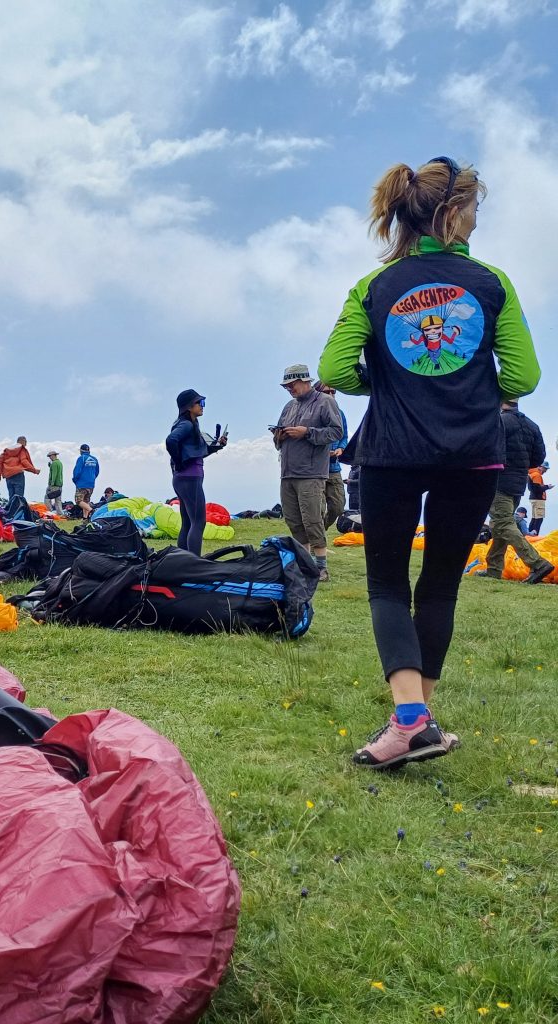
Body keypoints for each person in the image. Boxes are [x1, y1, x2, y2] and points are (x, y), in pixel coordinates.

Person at [318, 155, 541, 769]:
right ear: (449, 214)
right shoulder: (493, 282)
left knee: (388, 584)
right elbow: (524, 375)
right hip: (474, 456)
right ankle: (417, 722)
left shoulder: (373, 287)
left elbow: (336, 372)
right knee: (439, 584)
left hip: (391, 453)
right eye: (473, 209)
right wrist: (471, 390)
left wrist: (389, 383)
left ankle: (410, 723)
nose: (476, 221)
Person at [272, 364, 342, 582]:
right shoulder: (288, 407)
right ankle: (305, 564)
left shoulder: (325, 402)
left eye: (292, 385)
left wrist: (307, 432)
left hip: (311, 472)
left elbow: (336, 431)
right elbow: (277, 439)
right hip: (288, 471)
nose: (289, 389)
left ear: (305, 381)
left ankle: (321, 568)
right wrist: (279, 436)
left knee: (312, 520)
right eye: (287, 386)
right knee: (294, 520)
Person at [478, 401, 552, 583]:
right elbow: (538, 458)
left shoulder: (500, 422)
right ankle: (494, 569)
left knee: (503, 523)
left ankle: (537, 563)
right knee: (500, 524)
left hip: (499, 480)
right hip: (518, 484)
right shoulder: (532, 426)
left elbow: (485, 448)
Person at [165, 389, 227, 555]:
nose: (202, 406)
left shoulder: (189, 424)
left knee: (187, 523)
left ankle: (182, 562)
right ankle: (194, 564)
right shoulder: (186, 425)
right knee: (199, 522)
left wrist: (218, 446)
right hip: (190, 478)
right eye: (199, 403)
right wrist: (178, 462)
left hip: (181, 479)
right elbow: (171, 441)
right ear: (188, 407)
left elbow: (197, 452)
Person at [314, 381, 348, 528]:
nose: (331, 395)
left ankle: (321, 530)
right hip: (315, 469)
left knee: (338, 507)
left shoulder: (340, 414)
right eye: (327, 392)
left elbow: (344, 437)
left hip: (334, 468)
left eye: (333, 392)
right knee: (317, 509)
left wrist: (341, 448)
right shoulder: (311, 413)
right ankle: (317, 540)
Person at [0, 437, 39, 501]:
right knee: (19, 497)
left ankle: (12, 510)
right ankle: (18, 510)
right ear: (22, 441)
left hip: (8, 476)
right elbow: (24, 461)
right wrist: (34, 470)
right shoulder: (21, 449)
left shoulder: (8, 450)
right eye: (25, 442)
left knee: (11, 496)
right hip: (18, 474)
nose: (26, 444)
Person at [72, 444, 100, 519]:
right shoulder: (94, 459)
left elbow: (77, 471)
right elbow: (97, 472)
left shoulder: (82, 458)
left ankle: (91, 511)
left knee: (78, 500)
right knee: (86, 501)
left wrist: (75, 479)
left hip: (82, 483)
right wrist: (92, 479)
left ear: (81, 450)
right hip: (91, 484)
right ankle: (85, 518)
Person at [527, 461, 552, 535]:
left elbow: (534, 488)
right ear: (540, 467)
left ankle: (530, 535)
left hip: (534, 499)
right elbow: (536, 489)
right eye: (545, 468)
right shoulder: (537, 475)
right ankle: (534, 535)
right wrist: (547, 487)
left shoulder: (532, 474)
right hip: (538, 499)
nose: (545, 471)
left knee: (535, 517)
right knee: (539, 518)